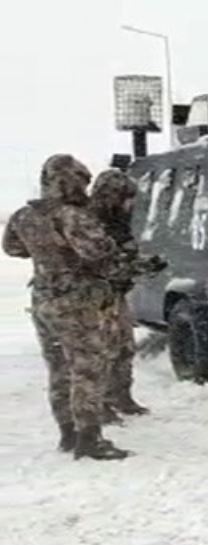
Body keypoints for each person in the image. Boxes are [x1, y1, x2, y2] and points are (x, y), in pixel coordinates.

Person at [2, 154, 131, 460]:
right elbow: (97, 252)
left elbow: (12, 248)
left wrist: (46, 252)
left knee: (58, 368)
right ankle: (90, 439)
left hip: (43, 299)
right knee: (88, 369)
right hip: (78, 303)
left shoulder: (24, 215)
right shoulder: (72, 215)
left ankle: (67, 433)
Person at [90, 169, 164, 418]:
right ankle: (100, 404)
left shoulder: (118, 222)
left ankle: (121, 397)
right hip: (94, 297)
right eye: (125, 197)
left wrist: (144, 263)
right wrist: (136, 266)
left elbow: (124, 254)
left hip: (116, 293)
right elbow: (101, 262)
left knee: (123, 347)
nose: (129, 204)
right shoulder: (89, 223)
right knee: (101, 350)